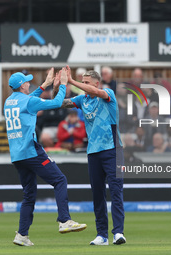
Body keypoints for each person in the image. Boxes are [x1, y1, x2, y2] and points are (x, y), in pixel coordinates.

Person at [4, 68, 86, 247]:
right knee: (59, 180)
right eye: (27, 82)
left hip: (17, 155)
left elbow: (27, 100)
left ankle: (22, 235)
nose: (29, 83)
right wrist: (63, 84)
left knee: (29, 194)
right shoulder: (28, 101)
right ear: (22, 85)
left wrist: (45, 85)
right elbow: (56, 102)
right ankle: (64, 221)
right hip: (31, 150)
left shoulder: (9, 101)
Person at [55, 66, 126, 246]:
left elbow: (95, 92)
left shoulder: (107, 93)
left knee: (116, 192)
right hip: (93, 152)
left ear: (96, 83)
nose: (84, 86)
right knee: (98, 195)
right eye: (83, 82)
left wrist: (71, 81)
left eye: (87, 83)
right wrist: (57, 87)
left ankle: (118, 232)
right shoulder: (82, 99)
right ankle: (102, 235)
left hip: (113, 149)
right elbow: (59, 102)